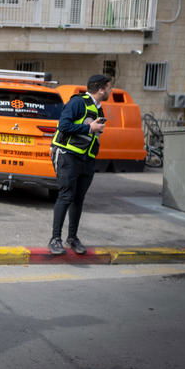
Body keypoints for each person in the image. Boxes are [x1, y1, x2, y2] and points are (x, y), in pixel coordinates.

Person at [48, 74, 111, 255]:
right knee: (66, 196)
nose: (110, 90)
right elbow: (64, 126)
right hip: (68, 156)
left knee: (78, 199)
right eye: (109, 87)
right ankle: (55, 239)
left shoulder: (99, 109)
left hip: (86, 159)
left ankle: (72, 238)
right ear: (101, 89)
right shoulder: (78, 102)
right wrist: (89, 128)